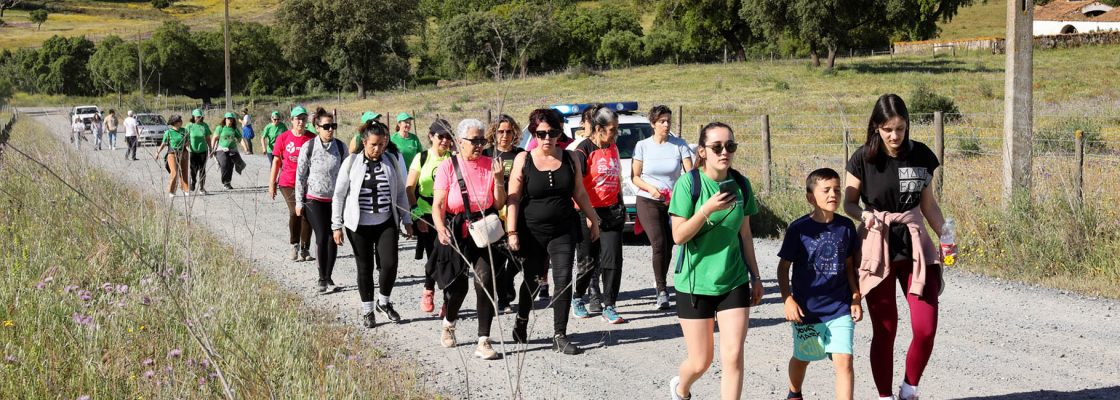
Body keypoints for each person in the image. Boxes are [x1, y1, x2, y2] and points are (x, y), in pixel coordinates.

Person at [843, 94, 946, 400]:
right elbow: (849, 201)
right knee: (885, 330)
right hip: (877, 245)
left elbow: (929, 206)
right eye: (888, 129)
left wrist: (945, 236)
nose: (894, 135)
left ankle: (909, 388)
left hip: (916, 247)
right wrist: (863, 215)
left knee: (926, 327)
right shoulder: (862, 158)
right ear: (876, 127)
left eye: (900, 128)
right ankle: (885, 396)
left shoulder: (921, 156)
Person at [667, 122, 763, 400]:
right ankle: (681, 388)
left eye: (730, 146)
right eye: (717, 147)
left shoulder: (741, 184)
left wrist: (755, 277)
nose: (725, 152)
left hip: (733, 280)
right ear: (702, 151)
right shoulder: (689, 184)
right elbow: (678, 236)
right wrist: (706, 209)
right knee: (701, 362)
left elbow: (745, 236)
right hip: (695, 283)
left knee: (733, 357)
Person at [505, 108, 600, 355]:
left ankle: (559, 335)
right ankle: (522, 320)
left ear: (560, 133)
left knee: (563, 280)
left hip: (563, 230)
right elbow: (513, 199)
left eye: (553, 132)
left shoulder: (570, 158)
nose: (547, 138)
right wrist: (512, 232)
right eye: (542, 133)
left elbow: (579, 192)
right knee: (533, 281)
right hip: (532, 231)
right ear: (534, 133)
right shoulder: (523, 159)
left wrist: (594, 220)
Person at [778, 168, 863, 400]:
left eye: (837, 189)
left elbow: (848, 267)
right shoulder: (798, 229)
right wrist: (788, 299)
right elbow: (783, 268)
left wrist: (856, 297)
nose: (833, 194)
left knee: (844, 360)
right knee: (803, 358)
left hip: (839, 307)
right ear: (810, 197)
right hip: (808, 310)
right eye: (826, 190)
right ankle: (794, 393)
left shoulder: (846, 227)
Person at [430, 119, 506, 359]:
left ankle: (484, 340)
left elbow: (499, 203)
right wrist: (440, 228)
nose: (479, 145)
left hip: (485, 230)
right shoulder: (448, 167)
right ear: (460, 142)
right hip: (457, 229)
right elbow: (439, 204)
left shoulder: (491, 164)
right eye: (474, 140)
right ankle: (449, 323)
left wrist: (500, 179)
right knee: (458, 286)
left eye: (482, 140)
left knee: (485, 281)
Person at [331, 120, 413, 328]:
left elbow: (401, 192)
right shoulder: (351, 163)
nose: (377, 149)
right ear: (364, 142)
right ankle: (368, 310)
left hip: (386, 221)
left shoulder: (391, 161)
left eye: (381, 145)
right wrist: (336, 225)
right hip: (358, 226)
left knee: (389, 264)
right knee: (364, 268)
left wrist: (407, 220)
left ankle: (383, 302)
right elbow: (339, 195)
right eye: (373, 145)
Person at [631, 105, 694, 310]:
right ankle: (662, 290)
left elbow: (690, 173)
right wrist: (651, 189)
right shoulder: (642, 146)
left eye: (668, 121)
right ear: (653, 124)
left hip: (673, 202)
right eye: (662, 121)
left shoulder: (679, 145)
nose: (666, 125)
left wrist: (682, 191)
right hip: (648, 200)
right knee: (658, 243)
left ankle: (661, 281)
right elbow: (635, 177)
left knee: (669, 245)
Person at [571, 104, 627, 324]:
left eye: (617, 129)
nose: (616, 134)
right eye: (612, 129)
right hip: (587, 211)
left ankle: (609, 305)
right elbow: (576, 187)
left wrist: (620, 202)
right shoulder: (583, 150)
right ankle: (578, 297)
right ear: (598, 128)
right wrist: (587, 214)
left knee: (613, 259)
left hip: (612, 211)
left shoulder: (613, 148)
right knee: (588, 260)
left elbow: (617, 177)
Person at [295, 110, 347, 294]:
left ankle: (329, 276)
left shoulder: (341, 148)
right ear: (317, 128)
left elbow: (347, 176)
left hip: (334, 201)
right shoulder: (308, 147)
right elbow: (300, 176)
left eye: (333, 126)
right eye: (326, 126)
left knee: (334, 238)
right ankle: (321, 278)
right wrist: (299, 202)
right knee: (322, 236)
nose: (330, 130)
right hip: (313, 200)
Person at [406, 119, 454, 315]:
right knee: (434, 253)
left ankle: (446, 299)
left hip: (448, 214)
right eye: (440, 136)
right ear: (431, 136)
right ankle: (429, 289)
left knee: (448, 257)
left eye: (448, 137)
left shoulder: (454, 158)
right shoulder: (422, 157)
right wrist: (416, 216)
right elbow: (409, 188)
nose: (444, 141)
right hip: (426, 213)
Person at [483, 114, 524, 313]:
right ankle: (503, 299)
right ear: (494, 133)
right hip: (494, 215)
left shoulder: (521, 154)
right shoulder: (486, 155)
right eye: (500, 131)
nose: (505, 135)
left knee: (518, 258)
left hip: (518, 213)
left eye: (509, 131)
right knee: (498, 261)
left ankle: (509, 282)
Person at [269, 106, 315, 261]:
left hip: (308, 182)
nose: (300, 122)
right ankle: (294, 244)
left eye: (303, 118)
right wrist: (272, 183)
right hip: (287, 182)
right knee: (295, 211)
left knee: (307, 215)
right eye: (297, 119)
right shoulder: (283, 137)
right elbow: (276, 161)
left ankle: (305, 248)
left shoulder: (312, 138)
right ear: (291, 120)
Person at [154, 115, 190, 198]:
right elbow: (163, 143)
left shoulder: (184, 131)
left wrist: (188, 144)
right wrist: (157, 152)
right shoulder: (168, 132)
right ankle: (171, 190)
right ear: (175, 123)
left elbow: (188, 142)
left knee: (184, 172)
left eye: (181, 120)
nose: (181, 122)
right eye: (179, 121)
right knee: (174, 172)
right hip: (172, 154)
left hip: (183, 153)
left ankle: (185, 189)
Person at [211, 112, 243, 190]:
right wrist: (212, 149)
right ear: (225, 119)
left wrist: (246, 148)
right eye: (228, 118)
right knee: (224, 164)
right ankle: (225, 181)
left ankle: (228, 183)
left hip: (232, 149)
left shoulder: (234, 129)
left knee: (230, 166)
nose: (230, 120)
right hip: (221, 149)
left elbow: (240, 139)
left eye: (231, 118)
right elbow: (214, 138)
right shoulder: (220, 127)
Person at [186, 109, 212, 195]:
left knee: (202, 169)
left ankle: (202, 188)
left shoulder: (204, 126)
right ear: (193, 117)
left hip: (203, 150)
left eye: (201, 117)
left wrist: (211, 148)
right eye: (197, 117)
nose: (199, 118)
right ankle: (193, 183)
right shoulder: (189, 126)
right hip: (192, 151)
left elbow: (208, 138)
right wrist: (186, 147)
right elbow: (185, 138)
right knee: (193, 169)